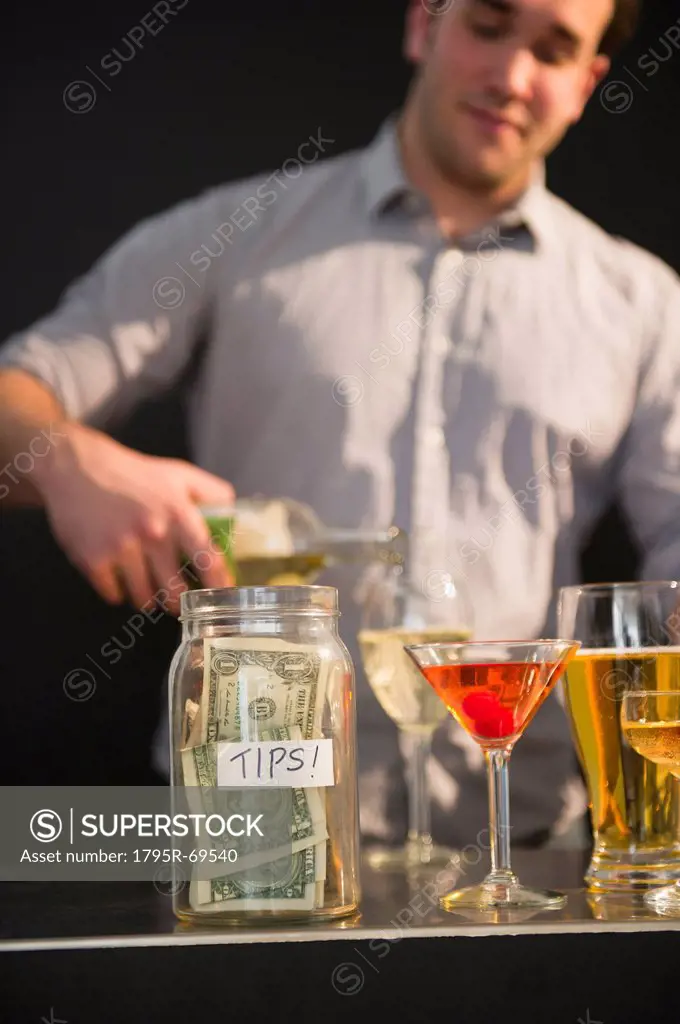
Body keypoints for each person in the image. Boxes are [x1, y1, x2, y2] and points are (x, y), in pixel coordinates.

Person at [1, 0, 675, 849]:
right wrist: (68, 462)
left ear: (588, 85)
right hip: (244, 842)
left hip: (524, 856)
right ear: (423, 25)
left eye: (554, 50)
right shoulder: (235, 236)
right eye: (489, 26)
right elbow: (17, 390)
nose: (511, 76)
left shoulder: (642, 304)